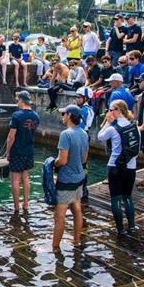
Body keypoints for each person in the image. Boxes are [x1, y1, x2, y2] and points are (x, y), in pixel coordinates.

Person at [97, 99, 138, 233]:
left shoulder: (112, 128)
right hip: (131, 167)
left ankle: (120, 229)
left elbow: (100, 136)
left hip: (115, 165)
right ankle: (132, 226)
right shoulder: (135, 127)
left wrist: (108, 122)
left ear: (118, 110)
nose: (109, 112)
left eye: (111, 109)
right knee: (127, 197)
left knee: (116, 198)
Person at [52, 104, 88, 251]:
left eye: (63, 114)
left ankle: (54, 247)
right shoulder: (84, 134)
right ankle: (76, 240)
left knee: (59, 216)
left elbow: (62, 160)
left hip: (66, 179)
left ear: (68, 116)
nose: (62, 117)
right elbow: (84, 158)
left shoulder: (65, 135)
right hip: (80, 177)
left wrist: (52, 163)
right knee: (77, 209)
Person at [5, 90, 40, 213]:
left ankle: (16, 207)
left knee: (15, 178)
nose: (17, 102)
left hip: (18, 150)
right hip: (29, 150)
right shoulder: (36, 116)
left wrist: (8, 151)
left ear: (21, 100)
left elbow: (11, 136)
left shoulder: (17, 115)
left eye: (17, 100)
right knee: (25, 177)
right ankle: (26, 204)